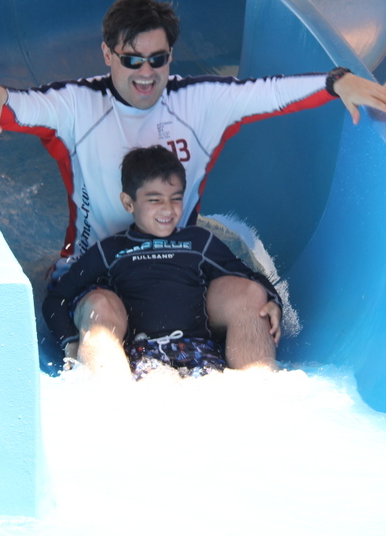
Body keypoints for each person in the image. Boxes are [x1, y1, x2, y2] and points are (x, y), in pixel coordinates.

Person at [0, 0, 386, 370]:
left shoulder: (198, 101)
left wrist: (336, 82)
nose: (146, 73)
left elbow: (267, 92)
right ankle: (113, 419)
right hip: (98, 277)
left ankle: (260, 411)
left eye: (157, 59)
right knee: (101, 315)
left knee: (249, 298)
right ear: (107, 54)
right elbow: (22, 106)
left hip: (181, 272)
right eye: (131, 60)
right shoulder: (78, 104)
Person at [43, 145, 281, 379]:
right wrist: (70, 343)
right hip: (141, 356)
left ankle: (260, 382)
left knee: (249, 292)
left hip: (198, 351)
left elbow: (249, 277)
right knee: (97, 303)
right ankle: (110, 394)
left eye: (175, 199)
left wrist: (274, 302)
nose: (168, 209)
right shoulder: (111, 250)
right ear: (128, 203)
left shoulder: (198, 242)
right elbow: (57, 299)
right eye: (155, 200)